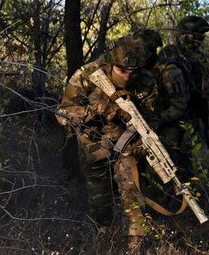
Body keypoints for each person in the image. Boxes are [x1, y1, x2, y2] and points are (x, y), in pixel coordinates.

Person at [57, 36, 157, 253]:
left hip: (127, 146)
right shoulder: (87, 75)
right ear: (111, 63)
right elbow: (63, 113)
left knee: (134, 204)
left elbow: (152, 118)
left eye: (134, 72)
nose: (128, 76)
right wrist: (94, 111)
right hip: (94, 146)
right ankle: (103, 246)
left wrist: (140, 139)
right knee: (100, 204)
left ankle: (135, 249)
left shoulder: (146, 81)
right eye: (123, 71)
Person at [132, 28, 190, 172]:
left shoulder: (170, 72)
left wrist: (156, 121)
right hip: (147, 125)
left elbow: (179, 106)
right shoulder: (135, 68)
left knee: (168, 166)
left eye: (145, 50)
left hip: (169, 124)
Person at [161, 16, 209, 149]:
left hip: (192, 116)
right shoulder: (170, 53)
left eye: (202, 35)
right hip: (171, 116)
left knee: (189, 158)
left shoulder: (201, 57)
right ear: (183, 34)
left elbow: (205, 84)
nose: (199, 39)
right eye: (196, 35)